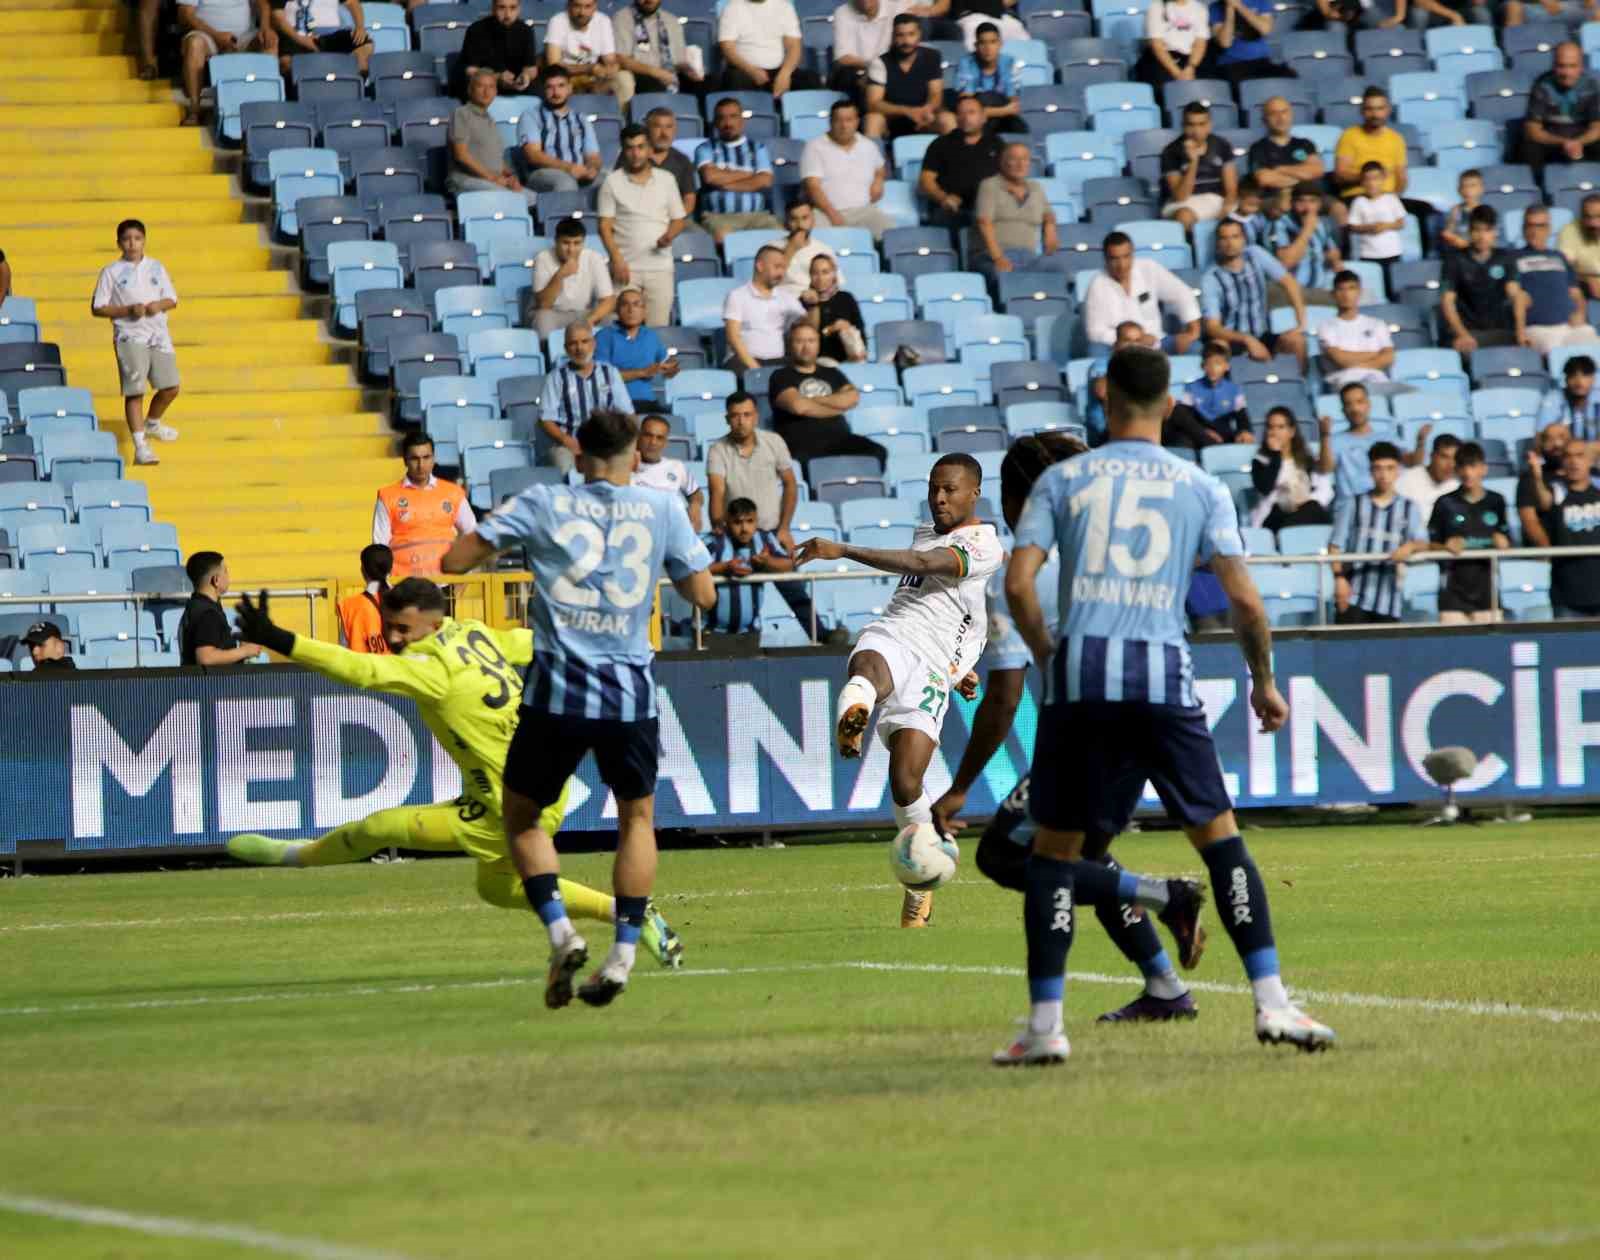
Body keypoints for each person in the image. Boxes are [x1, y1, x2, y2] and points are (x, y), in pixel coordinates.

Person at [997, 344, 1333, 1065]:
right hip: (1164, 677)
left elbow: (1020, 585)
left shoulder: (1064, 479)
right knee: (1222, 844)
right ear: (1170, 402)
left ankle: (1045, 1028)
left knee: (1053, 858)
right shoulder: (1199, 485)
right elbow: (1244, 600)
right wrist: (1263, 681)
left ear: (1106, 397)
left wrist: (1051, 652)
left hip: (1083, 679)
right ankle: (1273, 1004)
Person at [224, 581, 687, 970]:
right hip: (543, 784)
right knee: (496, 886)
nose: (396, 638)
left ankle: (293, 855)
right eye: (389, 627)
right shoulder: (474, 633)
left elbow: (361, 669)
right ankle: (630, 913)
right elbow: (531, 642)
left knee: (379, 828)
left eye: (403, 628)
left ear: (432, 622)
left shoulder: (431, 668)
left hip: (508, 805)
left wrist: (282, 640)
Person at [442, 409, 715, 1008]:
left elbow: (455, 561)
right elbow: (704, 593)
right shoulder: (662, 508)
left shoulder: (543, 502)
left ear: (578, 452)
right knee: (637, 820)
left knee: (520, 818)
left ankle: (561, 931)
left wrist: (515, 543)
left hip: (556, 693)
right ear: (632, 456)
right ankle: (621, 956)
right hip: (629, 695)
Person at [930, 432, 1206, 1022]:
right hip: (1152, 715)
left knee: (1009, 857)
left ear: (1017, 499)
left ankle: (1159, 903)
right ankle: (1165, 988)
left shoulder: (1022, 576)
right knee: (1091, 857)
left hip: (1088, 734)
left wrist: (959, 786)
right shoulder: (1111, 552)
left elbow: (1004, 698)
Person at [795, 454, 997, 928]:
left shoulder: (984, 545)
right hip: (894, 633)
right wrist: (963, 664)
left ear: (974, 493)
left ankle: (918, 884)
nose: (939, 498)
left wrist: (842, 550)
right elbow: (954, 607)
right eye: (933, 489)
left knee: (906, 781)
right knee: (867, 665)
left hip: (929, 669)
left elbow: (929, 569)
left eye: (949, 489)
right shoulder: (927, 529)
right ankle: (857, 709)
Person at [91, 219, 180, 469]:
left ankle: (152, 423)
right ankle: (141, 446)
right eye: (127, 239)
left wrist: (157, 306)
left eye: (137, 238)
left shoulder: (156, 267)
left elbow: (172, 298)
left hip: (158, 333)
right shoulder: (111, 272)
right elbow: (98, 307)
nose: (132, 243)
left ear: (144, 241)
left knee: (171, 387)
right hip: (130, 335)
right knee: (135, 390)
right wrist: (128, 310)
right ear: (119, 242)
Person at [1329, 441, 1430, 625]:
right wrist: (1339, 580)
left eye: (1390, 468)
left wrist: (1411, 546)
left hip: (1389, 599)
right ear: (1370, 471)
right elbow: (1335, 546)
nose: (1384, 475)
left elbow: (1423, 542)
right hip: (1354, 596)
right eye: (1378, 469)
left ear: (1398, 471)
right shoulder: (1354, 504)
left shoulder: (1409, 507)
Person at [597, 124, 688, 328]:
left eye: (640, 147)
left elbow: (678, 219)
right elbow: (604, 226)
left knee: (658, 330)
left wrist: (669, 236)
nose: (635, 153)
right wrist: (616, 259)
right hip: (626, 269)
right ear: (623, 150)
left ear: (648, 149)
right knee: (623, 330)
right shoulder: (611, 182)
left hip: (661, 269)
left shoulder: (667, 180)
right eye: (630, 148)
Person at [768, 321, 885, 474]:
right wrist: (836, 407)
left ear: (818, 343)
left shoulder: (831, 373)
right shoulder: (781, 376)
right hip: (803, 443)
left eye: (811, 341)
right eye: (800, 341)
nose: (806, 346)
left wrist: (813, 400)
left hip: (841, 439)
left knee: (878, 453)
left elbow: (853, 397)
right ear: (790, 345)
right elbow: (799, 407)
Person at [1200, 218, 1308, 368]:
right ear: (1218, 243)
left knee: (1296, 341)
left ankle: (1296, 386)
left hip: (1262, 334)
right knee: (1218, 347)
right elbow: (1213, 327)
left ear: (1243, 239)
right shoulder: (1211, 278)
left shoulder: (1255, 254)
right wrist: (1246, 339)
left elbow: (1289, 282)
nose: (1230, 243)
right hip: (1233, 339)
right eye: (1224, 238)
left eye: (1235, 237)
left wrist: (1301, 321)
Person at [373, 431, 477, 576]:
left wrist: (466, 575)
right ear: (405, 460)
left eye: (426, 457)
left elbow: (472, 533)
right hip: (404, 585)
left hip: (446, 583)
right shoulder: (388, 496)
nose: (421, 465)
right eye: (414, 458)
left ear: (434, 458)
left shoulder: (453, 493)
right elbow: (379, 547)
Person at [1429, 442, 1510, 624]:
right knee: (1453, 651)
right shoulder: (1444, 503)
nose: (1467, 473)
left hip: (1488, 595)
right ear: (1456, 470)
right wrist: (1445, 547)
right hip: (1452, 595)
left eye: (1472, 466)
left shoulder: (1496, 502)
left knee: (1491, 650)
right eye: (1462, 467)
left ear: (1483, 469)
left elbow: (1507, 541)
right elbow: (1430, 544)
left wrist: (1504, 543)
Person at [706, 391, 799, 547]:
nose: (741, 421)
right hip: (735, 537)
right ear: (727, 419)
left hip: (773, 532)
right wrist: (718, 525)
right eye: (735, 415)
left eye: (747, 414)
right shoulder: (717, 449)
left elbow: (790, 484)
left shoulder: (774, 441)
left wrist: (784, 529)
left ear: (756, 417)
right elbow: (717, 491)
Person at [1083, 230, 1202, 352]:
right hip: (1117, 348)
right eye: (1115, 259)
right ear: (1106, 259)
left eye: (1126, 256)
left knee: (1194, 347)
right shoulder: (1097, 284)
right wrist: (1133, 340)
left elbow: (1183, 294)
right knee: (1095, 350)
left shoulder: (1148, 268)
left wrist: (1193, 331)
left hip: (1157, 342)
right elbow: (1095, 332)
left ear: (1132, 254)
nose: (1121, 265)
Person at [539, 320, 634, 471]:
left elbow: (627, 414)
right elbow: (546, 420)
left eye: (584, 341)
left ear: (593, 343)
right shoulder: (556, 377)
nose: (579, 348)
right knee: (562, 462)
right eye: (573, 343)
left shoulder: (610, 373)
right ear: (566, 348)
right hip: (570, 444)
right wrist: (567, 441)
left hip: (607, 443)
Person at [1333, 87, 1430, 227]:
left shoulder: (1396, 138)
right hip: (1359, 196)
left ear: (1388, 110)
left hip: (1388, 196)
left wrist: (1394, 198)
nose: (1375, 114)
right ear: (1362, 111)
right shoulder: (1349, 136)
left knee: (1425, 210)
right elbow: (1340, 174)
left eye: (1380, 108)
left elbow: (1401, 177)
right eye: (1370, 109)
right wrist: (1368, 178)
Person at [801, 100, 895, 241]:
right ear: (830, 122)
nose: (844, 126)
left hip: (864, 211)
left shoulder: (868, 145)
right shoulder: (814, 146)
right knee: (816, 239)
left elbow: (880, 168)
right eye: (838, 120)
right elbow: (812, 187)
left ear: (857, 122)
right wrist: (832, 213)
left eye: (849, 120)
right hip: (825, 213)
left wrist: (879, 180)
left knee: (891, 235)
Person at [704, 496, 799, 636]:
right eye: (737, 522)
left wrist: (768, 563)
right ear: (727, 522)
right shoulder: (713, 540)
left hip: (750, 632)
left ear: (756, 521)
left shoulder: (764, 538)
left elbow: (789, 565)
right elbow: (691, 570)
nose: (744, 529)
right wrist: (723, 568)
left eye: (750, 521)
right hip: (712, 632)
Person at [1512, 205, 1600, 355]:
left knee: (1594, 346)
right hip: (1538, 329)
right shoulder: (1512, 258)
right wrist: (1520, 332)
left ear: (1548, 228)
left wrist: (1580, 312)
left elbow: (1576, 294)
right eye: (1530, 225)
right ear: (1523, 228)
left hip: (1570, 327)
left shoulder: (1559, 257)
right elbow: (1516, 296)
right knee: (1559, 354)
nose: (1534, 231)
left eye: (1540, 226)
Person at [695, 97, 781, 242]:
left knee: (778, 236)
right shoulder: (705, 148)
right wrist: (749, 175)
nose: (728, 123)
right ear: (715, 123)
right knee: (724, 239)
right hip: (719, 217)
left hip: (757, 216)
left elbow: (764, 180)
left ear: (742, 121)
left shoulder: (758, 148)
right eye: (722, 118)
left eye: (733, 117)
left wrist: (725, 184)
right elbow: (710, 177)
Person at [1318, 380, 1421, 500]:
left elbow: (1412, 462)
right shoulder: (1335, 440)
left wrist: (1421, 443)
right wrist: (1325, 435)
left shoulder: (1388, 438)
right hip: (1349, 507)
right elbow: (1325, 469)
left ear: (1368, 404)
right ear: (1343, 410)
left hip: (1384, 505)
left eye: (1359, 402)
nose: (1355, 408)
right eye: (1348, 404)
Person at [447, 70, 538, 206]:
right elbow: (461, 156)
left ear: (496, 92)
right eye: (480, 86)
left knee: (536, 199)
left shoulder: (490, 119)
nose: (486, 91)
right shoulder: (461, 114)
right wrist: (493, 178)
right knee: (513, 199)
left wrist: (510, 176)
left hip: (492, 181)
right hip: (466, 180)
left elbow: (496, 158)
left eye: (491, 87)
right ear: (470, 90)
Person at [178, 0, 275, 126]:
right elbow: (185, 13)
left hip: (244, 37)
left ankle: (269, 108)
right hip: (207, 36)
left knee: (270, 41)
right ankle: (194, 109)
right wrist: (216, 35)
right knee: (194, 44)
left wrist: (265, 28)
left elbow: (263, 4)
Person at [1442, 206, 1523, 354]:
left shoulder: (1506, 258)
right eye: (1477, 230)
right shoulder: (1454, 260)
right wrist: (1462, 334)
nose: (1481, 236)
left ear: (1495, 232)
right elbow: (1447, 301)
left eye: (1487, 230)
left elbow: (1516, 295)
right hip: (1468, 332)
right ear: (1469, 232)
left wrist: (1521, 332)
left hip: (1501, 331)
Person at [918, 93, 1003, 229]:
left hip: (989, 208)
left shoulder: (997, 144)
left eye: (971, 113)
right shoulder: (940, 144)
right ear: (956, 118)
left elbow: (1007, 178)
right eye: (961, 113)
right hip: (952, 209)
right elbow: (926, 181)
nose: (966, 117)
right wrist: (944, 198)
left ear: (983, 117)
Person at [1518, 42, 1600, 182]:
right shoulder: (1541, 86)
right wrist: (1563, 143)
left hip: (1582, 141)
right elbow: (1532, 130)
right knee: (1530, 148)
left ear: (1581, 66)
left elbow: (1597, 128)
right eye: (1562, 66)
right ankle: (1540, 190)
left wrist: (1577, 142)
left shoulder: (1591, 87)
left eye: (1572, 66)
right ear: (1554, 65)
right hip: (1552, 142)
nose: (1567, 73)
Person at [973, 142, 1058, 274]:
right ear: (1002, 162)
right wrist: (998, 257)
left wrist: (1050, 228)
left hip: (1029, 257)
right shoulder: (990, 186)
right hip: (994, 255)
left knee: (1057, 271)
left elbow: (1048, 213)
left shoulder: (1035, 187)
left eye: (1025, 159)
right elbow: (984, 223)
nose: (1020, 164)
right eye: (1014, 159)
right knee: (1002, 274)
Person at [1538, 440, 1600, 618]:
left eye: (1580, 456)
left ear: (1590, 461)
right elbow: (1543, 501)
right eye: (1568, 456)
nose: (1573, 462)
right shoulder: (1555, 491)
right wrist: (1536, 477)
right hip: (1567, 595)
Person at [517, 65, 603, 193]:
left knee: (607, 182)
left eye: (561, 86)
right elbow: (533, 155)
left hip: (577, 171)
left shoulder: (581, 119)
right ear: (543, 90)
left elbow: (593, 155)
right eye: (550, 87)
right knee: (566, 183)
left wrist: (592, 169)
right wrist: (568, 168)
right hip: (543, 174)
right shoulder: (531, 116)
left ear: (570, 88)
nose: (556, 92)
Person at [524, 218, 617, 335]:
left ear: (583, 243)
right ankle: (548, 352)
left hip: (584, 313)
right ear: (556, 241)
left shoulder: (594, 258)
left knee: (611, 319)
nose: (571, 250)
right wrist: (560, 275)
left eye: (577, 243)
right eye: (566, 243)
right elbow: (544, 304)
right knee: (543, 318)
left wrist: (590, 320)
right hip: (553, 314)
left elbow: (608, 300)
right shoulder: (543, 258)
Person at [1315, 269, 1401, 394]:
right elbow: (1340, 359)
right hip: (1343, 382)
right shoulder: (1326, 326)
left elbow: (1389, 356)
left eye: (1351, 288)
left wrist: (1355, 360)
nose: (1346, 294)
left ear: (1359, 292)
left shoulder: (1377, 324)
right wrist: (1376, 353)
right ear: (1333, 294)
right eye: (1341, 289)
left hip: (1376, 381)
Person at [723, 244, 808, 370]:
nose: (782, 273)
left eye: (784, 268)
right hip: (743, 362)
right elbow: (733, 337)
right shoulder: (737, 296)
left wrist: (813, 305)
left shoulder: (787, 298)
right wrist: (755, 368)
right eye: (777, 267)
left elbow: (806, 324)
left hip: (779, 361)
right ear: (760, 266)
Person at [1250, 405, 1333, 530]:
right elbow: (1265, 488)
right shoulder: (1260, 461)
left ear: (1291, 431)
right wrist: (1276, 455)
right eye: (1270, 427)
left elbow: (1325, 484)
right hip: (1273, 516)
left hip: (1303, 512)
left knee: (1315, 508)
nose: (1274, 432)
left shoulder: (1305, 459)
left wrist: (1324, 436)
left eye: (1280, 427)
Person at [864, 13, 944, 141]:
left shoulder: (932, 57)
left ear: (919, 35)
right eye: (900, 35)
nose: (906, 41)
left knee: (947, 120)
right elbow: (873, 104)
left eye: (911, 34)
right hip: (891, 120)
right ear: (893, 36)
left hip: (924, 117)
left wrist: (927, 110)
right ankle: (875, 161)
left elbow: (935, 94)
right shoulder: (879, 63)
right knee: (872, 120)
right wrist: (908, 111)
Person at [611, 0, 700, 112]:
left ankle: (699, 126)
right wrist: (655, 72)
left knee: (705, 84)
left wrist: (689, 69)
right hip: (639, 74)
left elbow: (678, 61)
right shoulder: (622, 18)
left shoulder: (671, 20)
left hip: (668, 74)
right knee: (654, 84)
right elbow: (621, 58)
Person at [595, 286, 678, 403]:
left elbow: (667, 363)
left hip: (647, 402)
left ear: (644, 311)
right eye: (625, 305)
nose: (631, 310)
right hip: (614, 405)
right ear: (617, 310)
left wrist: (671, 369)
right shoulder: (604, 336)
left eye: (636, 305)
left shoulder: (651, 336)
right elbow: (601, 376)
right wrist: (642, 372)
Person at [717, 0, 819, 95]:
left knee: (810, 79)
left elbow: (794, 45)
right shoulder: (732, 9)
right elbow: (727, 48)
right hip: (744, 70)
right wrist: (751, 70)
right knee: (734, 79)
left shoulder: (784, 7)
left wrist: (785, 74)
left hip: (779, 70)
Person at [178, 551, 261, 666]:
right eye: (225, 572)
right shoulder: (207, 614)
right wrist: (244, 651)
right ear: (216, 580)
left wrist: (240, 648)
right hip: (209, 684)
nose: (228, 576)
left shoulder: (197, 606)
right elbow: (205, 658)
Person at [1161, 102, 1237, 230]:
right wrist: (1193, 162)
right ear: (1183, 126)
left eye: (1201, 124)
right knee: (1184, 217)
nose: (1196, 131)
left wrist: (1226, 208)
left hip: (1216, 199)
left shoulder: (1222, 145)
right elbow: (1180, 196)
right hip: (1183, 203)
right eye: (1191, 125)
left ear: (1209, 125)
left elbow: (1231, 190)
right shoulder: (1170, 151)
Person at [617, 106, 698, 220]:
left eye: (669, 127)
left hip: (674, 220)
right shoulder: (630, 156)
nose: (664, 133)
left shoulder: (682, 160)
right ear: (647, 129)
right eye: (657, 126)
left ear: (675, 130)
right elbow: (619, 193)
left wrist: (674, 220)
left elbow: (689, 199)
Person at [1170, 340, 1254, 448]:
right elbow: (1185, 416)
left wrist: (1244, 431)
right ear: (1203, 366)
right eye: (1208, 363)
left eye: (1218, 363)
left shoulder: (1234, 390)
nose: (1213, 368)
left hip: (1223, 435)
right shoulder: (1192, 387)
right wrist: (1204, 432)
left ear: (1226, 366)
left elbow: (1242, 417)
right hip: (1199, 434)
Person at [1271, 181, 1342, 306]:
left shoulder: (1322, 224)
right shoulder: (1280, 224)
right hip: (1291, 293)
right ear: (1292, 203)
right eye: (1301, 201)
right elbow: (1285, 263)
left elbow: (1335, 259)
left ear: (1319, 204)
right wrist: (1307, 230)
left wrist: (1332, 258)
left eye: (1312, 201)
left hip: (1320, 290)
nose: (1307, 207)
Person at [455, 0, 539, 99]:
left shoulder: (526, 31)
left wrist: (526, 76)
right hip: (484, 90)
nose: (507, 14)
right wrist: (497, 77)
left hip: (518, 90)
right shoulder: (476, 30)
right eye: (502, 8)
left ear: (519, 9)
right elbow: (471, 71)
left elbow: (531, 68)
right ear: (493, 8)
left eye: (513, 8)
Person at [632, 414, 703, 530]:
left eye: (659, 438)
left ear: (665, 442)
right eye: (648, 436)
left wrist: (696, 505)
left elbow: (696, 493)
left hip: (671, 529)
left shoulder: (677, 467)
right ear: (639, 437)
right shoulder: (624, 467)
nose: (653, 442)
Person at [950, 22, 1022, 134]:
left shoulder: (1010, 63)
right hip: (975, 120)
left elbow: (1013, 107)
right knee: (984, 99)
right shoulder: (966, 63)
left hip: (1001, 117)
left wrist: (996, 111)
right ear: (976, 46)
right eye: (983, 43)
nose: (988, 48)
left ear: (1000, 44)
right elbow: (966, 107)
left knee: (1019, 127)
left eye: (993, 42)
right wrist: (1002, 111)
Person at [1247, 98, 1326, 199]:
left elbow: (1316, 171)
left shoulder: (1305, 144)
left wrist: (1279, 169)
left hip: (1309, 197)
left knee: (1338, 208)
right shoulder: (1258, 148)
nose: (1280, 118)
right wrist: (1302, 177)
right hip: (1274, 199)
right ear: (1265, 119)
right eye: (1273, 113)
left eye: (1284, 112)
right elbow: (1265, 179)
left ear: (1291, 115)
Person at [269, 0, 372, 76]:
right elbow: (277, 16)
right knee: (286, 62)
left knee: (364, 43)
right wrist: (301, 39)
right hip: (295, 35)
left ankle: (350, 87)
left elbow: (352, 3)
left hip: (330, 35)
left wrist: (360, 26)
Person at [829, 0, 902, 105]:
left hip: (890, 68)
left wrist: (879, 69)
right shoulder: (842, 12)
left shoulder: (896, 8)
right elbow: (842, 58)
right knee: (846, 76)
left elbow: (903, 45)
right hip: (857, 72)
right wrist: (874, 68)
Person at [799, 252, 868, 364]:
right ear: (810, 276)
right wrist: (830, 329)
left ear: (834, 274)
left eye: (825, 272)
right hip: (818, 361)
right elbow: (805, 340)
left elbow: (861, 334)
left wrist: (848, 328)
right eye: (815, 273)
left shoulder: (846, 298)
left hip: (849, 358)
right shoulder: (804, 301)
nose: (820, 278)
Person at [1347, 161, 1406, 290]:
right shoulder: (1359, 202)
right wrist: (1370, 227)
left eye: (1376, 178)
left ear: (1383, 179)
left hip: (1392, 252)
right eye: (1367, 179)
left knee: (1392, 287)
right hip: (1368, 254)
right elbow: (1353, 226)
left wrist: (1385, 226)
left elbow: (1401, 222)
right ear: (1362, 181)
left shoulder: (1391, 198)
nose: (1372, 183)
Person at [543, 0, 618, 94]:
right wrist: (589, 68)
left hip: (594, 77)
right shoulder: (557, 21)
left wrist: (610, 68)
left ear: (595, 6)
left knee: (622, 79)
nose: (582, 12)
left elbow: (610, 59)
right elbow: (554, 64)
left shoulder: (603, 21)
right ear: (569, 5)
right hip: (566, 76)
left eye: (588, 6)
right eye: (577, 6)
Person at [1208, 0, 1288, 86]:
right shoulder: (1215, 8)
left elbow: (1265, 29)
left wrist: (1239, 6)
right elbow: (1225, 43)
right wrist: (1229, 9)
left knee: (1287, 79)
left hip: (1262, 61)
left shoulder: (1261, 2)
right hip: (1231, 64)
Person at [1517, 421, 1571, 546]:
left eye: (1561, 437)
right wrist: (1551, 555)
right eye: (1549, 439)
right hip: (1551, 557)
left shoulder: (1589, 476)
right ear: (1541, 445)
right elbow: (1530, 522)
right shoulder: (1529, 479)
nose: (1557, 444)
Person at [1136, 0, 1209, 90]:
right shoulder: (1157, 7)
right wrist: (1177, 73)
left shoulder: (1199, 8)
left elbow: (1200, 43)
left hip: (1189, 60)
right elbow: (1157, 45)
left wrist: (1191, 67)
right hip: (1163, 60)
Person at [337, 543, 393, 653]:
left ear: (363, 570)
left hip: (361, 669)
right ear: (391, 569)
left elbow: (343, 651)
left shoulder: (350, 607)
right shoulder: (406, 600)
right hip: (399, 669)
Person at [777, 198, 836, 298]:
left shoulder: (825, 249)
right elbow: (766, 282)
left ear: (813, 221)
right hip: (784, 302)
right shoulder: (772, 248)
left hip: (818, 302)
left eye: (805, 218)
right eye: (794, 219)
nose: (800, 225)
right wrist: (791, 248)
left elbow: (835, 284)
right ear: (786, 223)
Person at [1397, 432, 1460, 518]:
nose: (1450, 465)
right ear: (1432, 456)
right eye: (1444, 457)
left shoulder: (1456, 487)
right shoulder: (1406, 480)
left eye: (1454, 459)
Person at [1538, 354, 1600, 440]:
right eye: (1573, 375)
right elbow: (1540, 438)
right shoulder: (1553, 399)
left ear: (1593, 378)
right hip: (1563, 451)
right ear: (1566, 379)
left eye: (1585, 375)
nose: (1579, 381)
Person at [1558, 194, 1600, 299]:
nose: (1593, 223)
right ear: (1581, 216)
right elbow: (1565, 269)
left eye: (1599, 216)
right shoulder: (1570, 231)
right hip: (1584, 286)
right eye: (1588, 217)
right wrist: (1588, 279)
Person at [1439, 168, 1483, 253]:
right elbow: (1447, 234)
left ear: (1481, 189)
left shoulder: (1486, 212)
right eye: (1464, 186)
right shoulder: (1454, 211)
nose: (1468, 191)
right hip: (1460, 256)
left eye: (1472, 186)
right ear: (1459, 190)